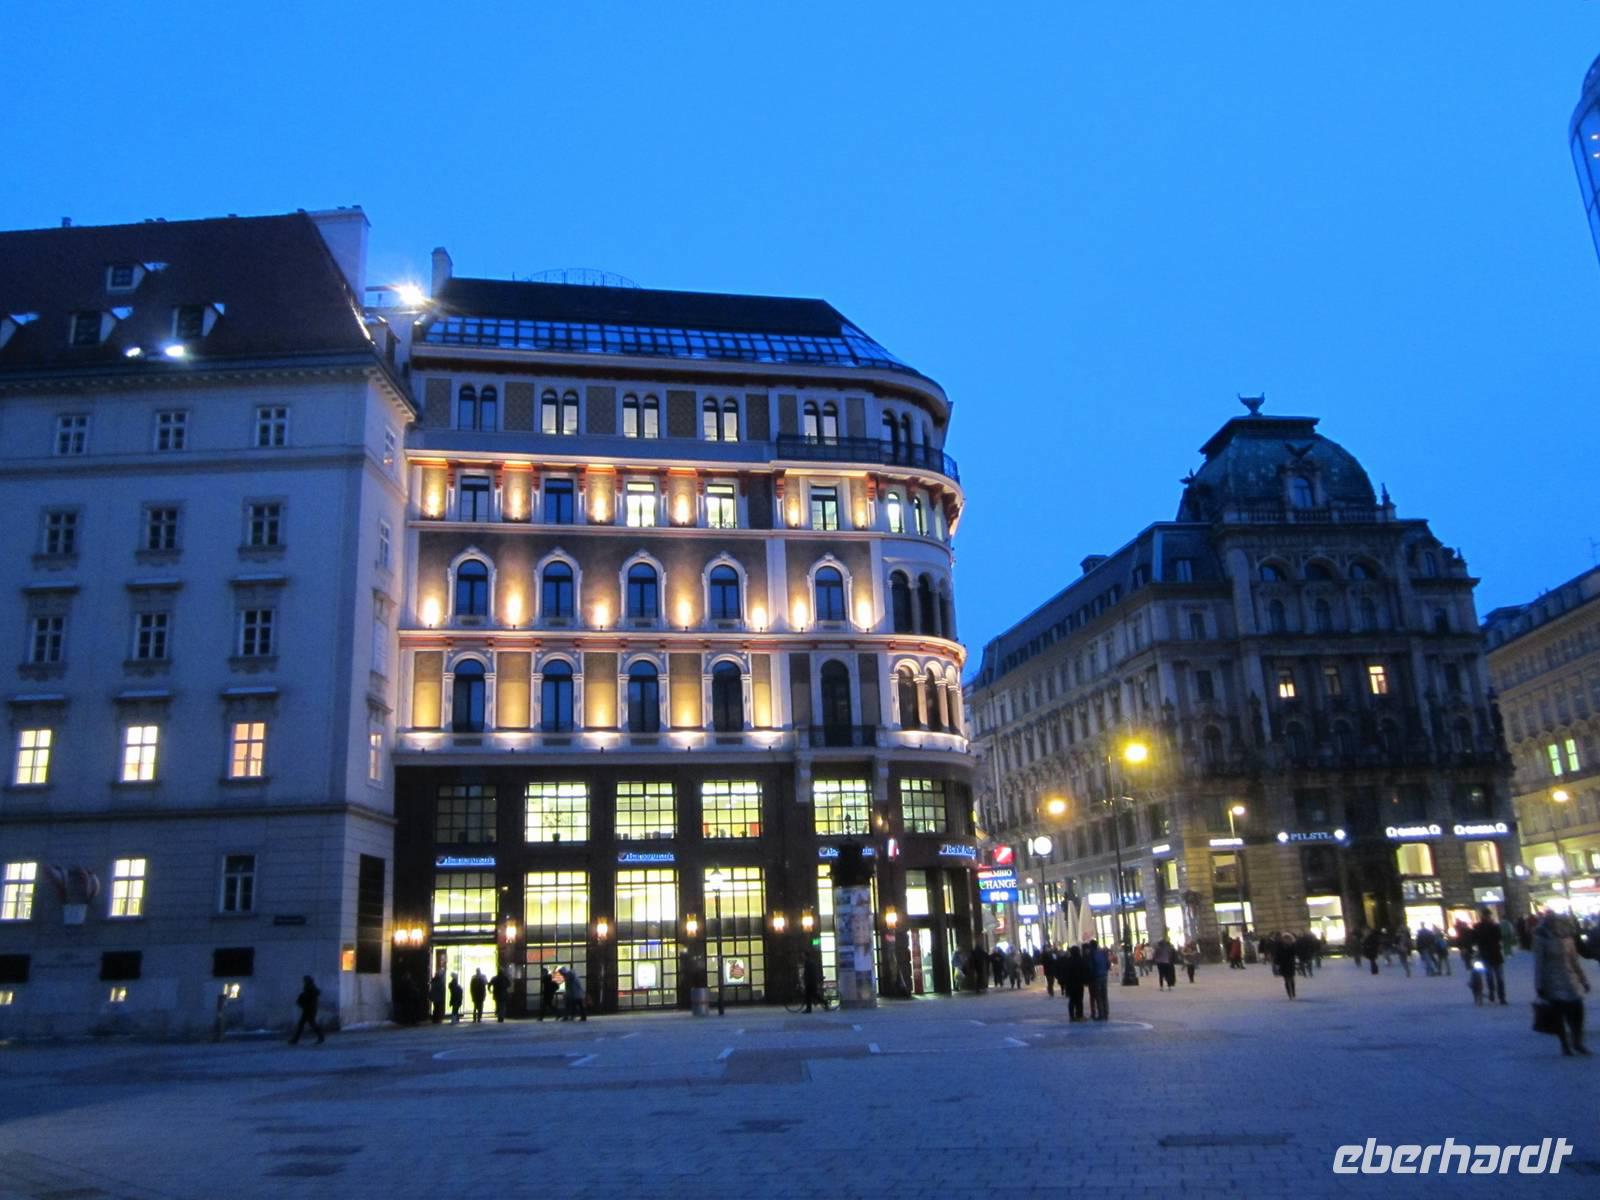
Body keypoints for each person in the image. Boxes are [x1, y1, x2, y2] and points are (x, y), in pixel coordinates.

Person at [1534, 911, 1591, 1056]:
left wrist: (1583, 980)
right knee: (1558, 1015)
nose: (1557, 925)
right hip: (1552, 981)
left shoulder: (1568, 937)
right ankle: (1565, 1044)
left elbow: (1574, 961)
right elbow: (1539, 963)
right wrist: (1539, 985)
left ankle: (1577, 1041)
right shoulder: (1541, 938)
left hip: (1570, 980)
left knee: (1578, 1011)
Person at [1473, 908, 1507, 1006]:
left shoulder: (1494, 926)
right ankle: (1493, 993)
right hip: (1487, 954)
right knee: (1490, 977)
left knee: (1499, 977)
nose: (1487, 917)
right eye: (1486, 915)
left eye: (1488, 915)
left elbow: (1499, 937)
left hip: (1494, 954)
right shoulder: (1479, 927)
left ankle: (1501, 997)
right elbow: (1476, 939)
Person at [289, 975, 324, 1045]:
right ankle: (295, 1039)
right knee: (304, 1024)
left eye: (305, 981)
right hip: (308, 1009)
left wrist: (302, 1000)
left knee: (309, 1023)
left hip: (309, 1009)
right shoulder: (308, 988)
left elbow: (309, 998)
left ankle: (321, 1037)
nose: (304, 982)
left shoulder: (310, 988)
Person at [1087, 939, 1110, 1021]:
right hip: (1104, 976)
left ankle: (1101, 1014)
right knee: (1104, 995)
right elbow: (1108, 963)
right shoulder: (1103, 953)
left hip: (1096, 977)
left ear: (1091, 946)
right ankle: (1106, 1013)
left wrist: (1091, 976)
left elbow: (1090, 967)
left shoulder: (1091, 954)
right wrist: (1105, 971)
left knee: (1098, 996)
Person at [1274, 934, 1298, 999]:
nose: (1286, 940)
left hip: (1290, 965)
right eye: (1285, 939)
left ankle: (1293, 993)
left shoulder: (1293, 946)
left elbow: (1295, 953)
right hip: (1283, 965)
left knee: (1292, 979)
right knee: (1287, 980)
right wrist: (1277, 964)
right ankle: (1289, 995)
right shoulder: (1280, 946)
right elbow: (1277, 956)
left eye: (1288, 939)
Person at [802, 948, 825, 1013]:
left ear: (805, 955)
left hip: (810, 982)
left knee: (810, 995)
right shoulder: (810, 961)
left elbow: (807, 972)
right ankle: (809, 1008)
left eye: (803, 955)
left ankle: (809, 1009)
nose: (802, 956)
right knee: (812, 995)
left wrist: (805, 979)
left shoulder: (808, 962)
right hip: (812, 981)